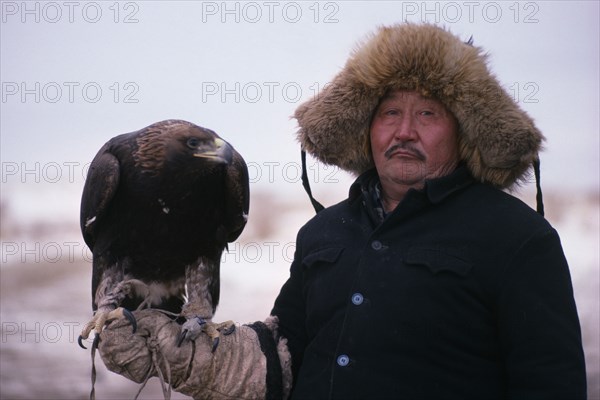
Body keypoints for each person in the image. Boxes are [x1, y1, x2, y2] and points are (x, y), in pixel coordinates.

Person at [96, 23, 587, 399]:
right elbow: (285, 355)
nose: (405, 131)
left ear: (463, 132)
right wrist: (191, 359)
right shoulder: (325, 233)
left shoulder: (518, 239)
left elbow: (551, 383)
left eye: (428, 114)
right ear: (365, 130)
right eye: (389, 113)